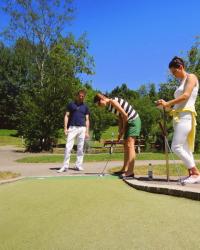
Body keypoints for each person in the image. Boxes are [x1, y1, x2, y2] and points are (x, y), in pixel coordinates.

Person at [156, 56, 200, 184]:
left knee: (176, 146)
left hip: (186, 115)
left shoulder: (191, 77)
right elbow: (177, 105)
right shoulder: (181, 82)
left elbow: (186, 96)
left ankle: (196, 172)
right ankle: (192, 175)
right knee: (185, 148)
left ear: (180, 67)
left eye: (174, 72)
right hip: (178, 116)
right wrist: (165, 106)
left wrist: (167, 103)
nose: (174, 75)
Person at [94, 93, 141, 179]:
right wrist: (120, 132)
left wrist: (123, 129)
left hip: (133, 121)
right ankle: (124, 169)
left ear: (102, 99)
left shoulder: (113, 101)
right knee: (126, 145)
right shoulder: (110, 107)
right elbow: (120, 117)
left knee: (130, 145)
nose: (100, 107)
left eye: (99, 104)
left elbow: (125, 115)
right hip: (128, 122)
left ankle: (130, 172)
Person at [57, 89, 90, 173]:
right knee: (68, 147)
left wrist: (87, 131)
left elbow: (87, 120)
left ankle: (78, 165)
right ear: (77, 96)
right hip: (72, 128)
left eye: (83, 96)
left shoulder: (85, 107)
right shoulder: (71, 105)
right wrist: (65, 128)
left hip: (82, 129)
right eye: (80, 96)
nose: (81, 97)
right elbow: (66, 116)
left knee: (80, 148)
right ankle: (65, 166)